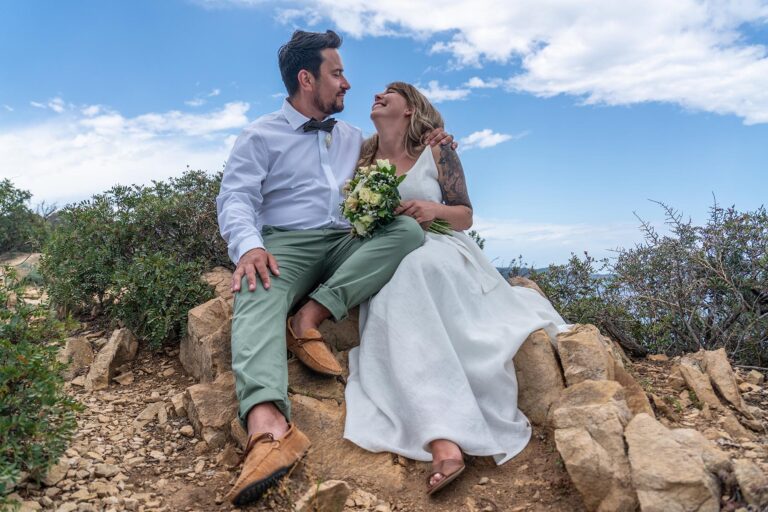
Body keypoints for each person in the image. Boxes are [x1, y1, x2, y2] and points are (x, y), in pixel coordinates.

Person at [216, 32, 453, 506]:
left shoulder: (352, 139)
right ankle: (269, 430)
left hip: (349, 241)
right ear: (307, 79)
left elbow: (397, 151)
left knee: (407, 232)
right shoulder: (259, 134)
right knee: (257, 292)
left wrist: (432, 139)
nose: (347, 83)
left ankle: (311, 317)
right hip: (287, 243)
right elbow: (236, 197)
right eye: (337, 73)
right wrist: (249, 247)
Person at [343, 82, 570, 495]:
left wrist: (432, 210)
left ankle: (445, 436)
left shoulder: (437, 150)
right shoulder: (361, 153)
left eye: (389, 93)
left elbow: (464, 216)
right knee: (396, 281)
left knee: (412, 271)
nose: (376, 95)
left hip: (440, 245)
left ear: (410, 108)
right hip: (383, 249)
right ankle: (441, 432)